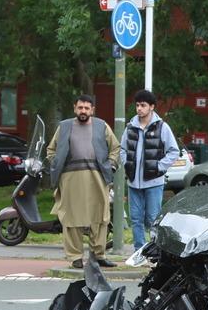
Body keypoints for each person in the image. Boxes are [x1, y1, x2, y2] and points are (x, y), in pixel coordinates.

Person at [45, 94, 115, 265]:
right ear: (75, 108)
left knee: (100, 216)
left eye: (86, 108)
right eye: (80, 107)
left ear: (92, 110)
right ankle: (75, 257)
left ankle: (99, 255)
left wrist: (111, 165)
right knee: (72, 217)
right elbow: (51, 150)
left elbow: (115, 148)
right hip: (70, 177)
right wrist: (57, 164)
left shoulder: (102, 126)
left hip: (97, 176)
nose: (83, 111)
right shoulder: (64, 127)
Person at [122, 89, 179, 250]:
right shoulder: (130, 127)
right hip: (133, 182)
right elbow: (123, 149)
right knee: (135, 219)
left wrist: (159, 167)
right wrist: (127, 164)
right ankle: (139, 250)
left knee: (153, 218)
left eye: (143, 105)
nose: (139, 108)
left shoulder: (162, 127)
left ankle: (155, 250)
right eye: (137, 105)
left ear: (152, 107)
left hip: (154, 182)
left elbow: (173, 151)